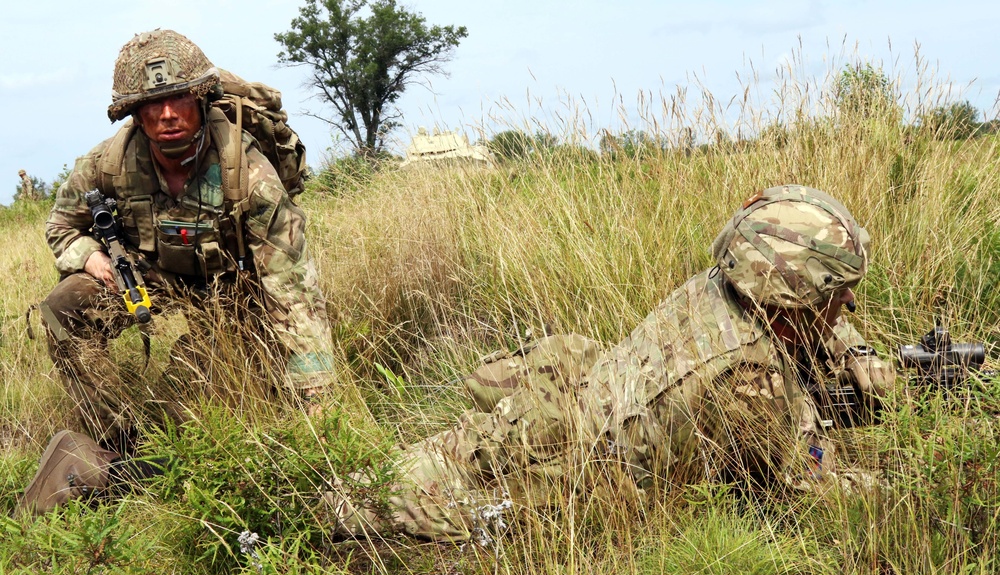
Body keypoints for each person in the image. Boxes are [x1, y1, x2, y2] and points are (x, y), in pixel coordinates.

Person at [323, 184, 895, 541]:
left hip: (566, 412)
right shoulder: (747, 376)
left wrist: (859, 355)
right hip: (553, 483)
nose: (848, 303)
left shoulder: (726, 286)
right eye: (837, 289)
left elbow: (818, 323)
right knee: (350, 504)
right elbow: (811, 489)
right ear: (792, 292)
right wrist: (900, 485)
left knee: (400, 468)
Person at [19, 29, 336, 515]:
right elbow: (61, 226)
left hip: (233, 293)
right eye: (152, 105)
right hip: (151, 278)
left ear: (201, 98)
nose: (167, 115)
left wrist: (317, 399)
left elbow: (292, 290)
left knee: (191, 405)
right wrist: (93, 258)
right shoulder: (108, 163)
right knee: (64, 306)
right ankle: (114, 437)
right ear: (133, 113)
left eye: (178, 100)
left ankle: (155, 451)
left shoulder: (248, 174)